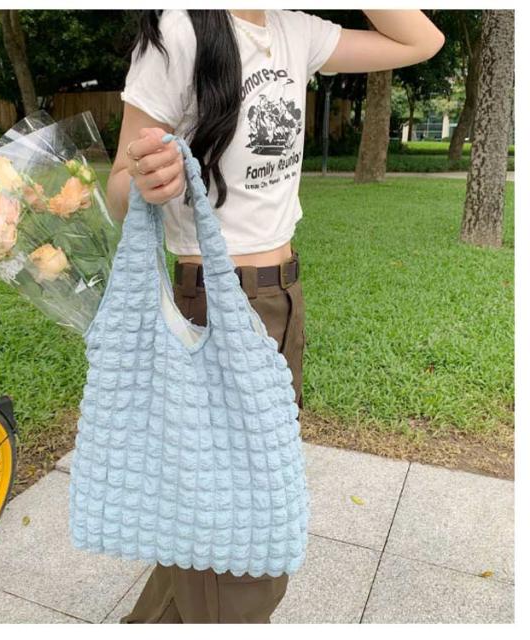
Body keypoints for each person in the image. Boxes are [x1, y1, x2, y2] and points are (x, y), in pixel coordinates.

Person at [106, 8, 445, 624]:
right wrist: (149, 176)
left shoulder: (296, 30)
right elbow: (117, 191)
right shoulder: (181, 31)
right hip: (215, 305)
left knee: (230, 504)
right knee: (237, 530)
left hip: (283, 299)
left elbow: (423, 40)